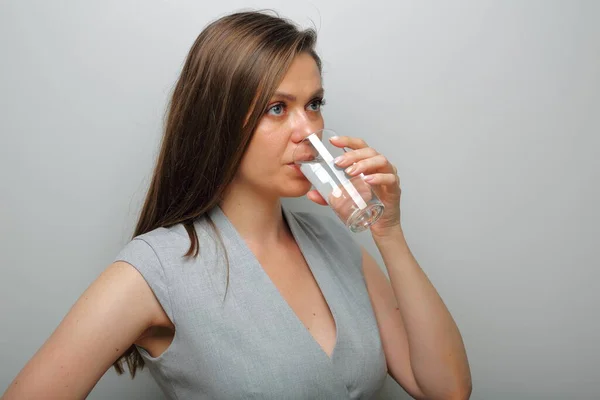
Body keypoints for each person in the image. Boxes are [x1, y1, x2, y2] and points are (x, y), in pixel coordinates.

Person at [1, 10, 471, 400]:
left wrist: (389, 234)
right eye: (277, 108)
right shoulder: (157, 269)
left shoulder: (335, 243)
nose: (308, 130)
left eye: (314, 103)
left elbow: (446, 390)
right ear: (219, 120)